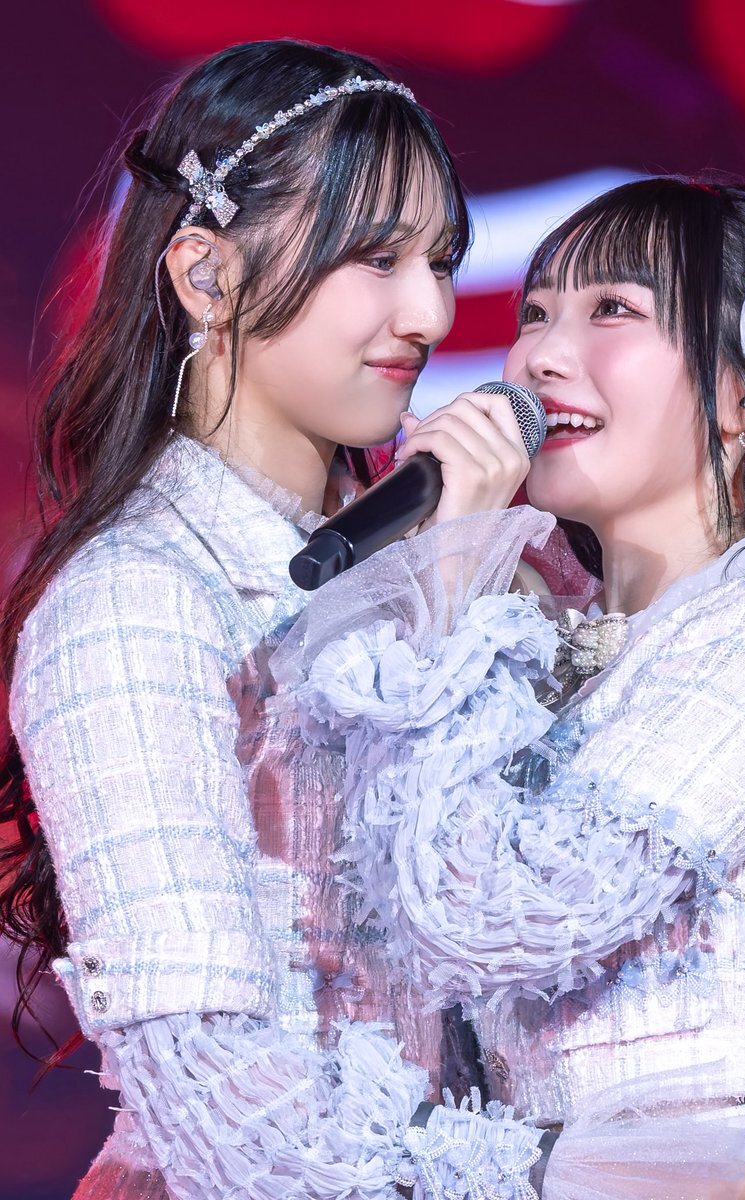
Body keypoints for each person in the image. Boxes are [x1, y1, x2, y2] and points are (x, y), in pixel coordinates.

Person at [0, 37, 560, 1200]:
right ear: (207, 276)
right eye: (377, 257)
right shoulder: (135, 596)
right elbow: (204, 1083)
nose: (429, 309)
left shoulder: (433, 564)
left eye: (442, 261)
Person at [276, 177, 745, 1198]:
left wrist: (453, 573)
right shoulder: (558, 630)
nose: (540, 356)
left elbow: (493, 917)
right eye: (535, 314)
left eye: (612, 309)